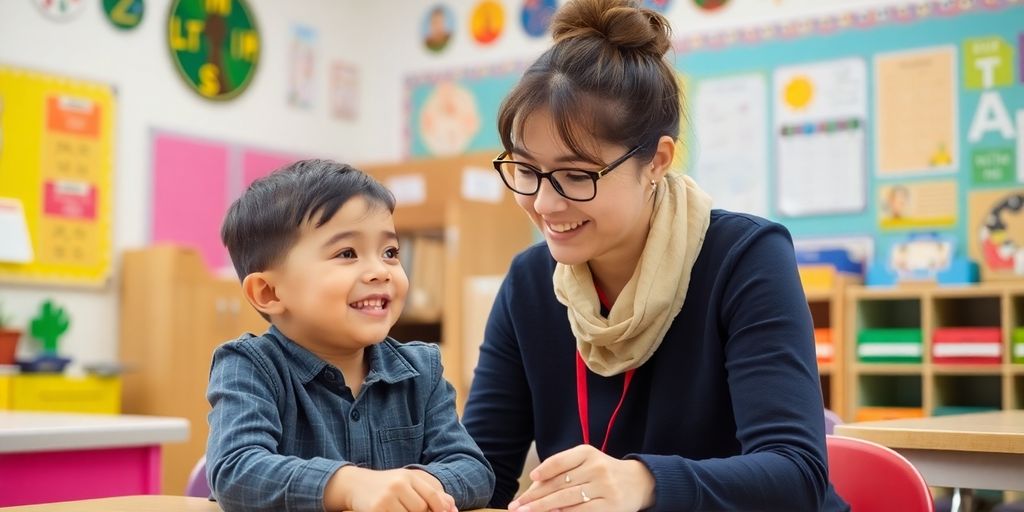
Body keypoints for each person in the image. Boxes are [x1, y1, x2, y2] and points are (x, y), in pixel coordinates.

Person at [461, 1, 850, 510]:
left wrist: (641, 482)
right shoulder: (531, 283)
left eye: (577, 175)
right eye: (526, 169)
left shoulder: (744, 258)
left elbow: (794, 473)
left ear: (656, 162)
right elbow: (481, 468)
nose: (544, 203)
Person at [207, 160, 494, 512]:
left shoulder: (422, 369)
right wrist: (346, 484)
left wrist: (416, 487)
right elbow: (236, 471)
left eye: (390, 252)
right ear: (269, 293)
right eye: (347, 253)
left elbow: (474, 470)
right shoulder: (250, 366)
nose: (380, 271)